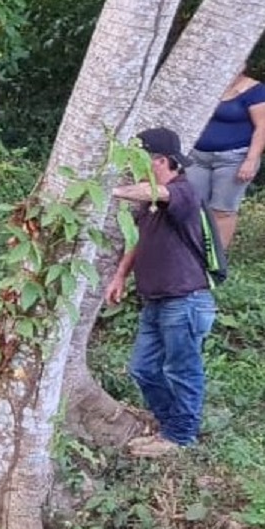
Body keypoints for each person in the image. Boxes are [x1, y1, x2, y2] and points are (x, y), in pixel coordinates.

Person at [104, 128, 217, 458]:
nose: (135, 167)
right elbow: (138, 241)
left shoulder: (182, 192)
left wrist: (107, 190)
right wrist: (120, 276)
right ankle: (171, 424)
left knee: (181, 370)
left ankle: (180, 436)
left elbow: (156, 193)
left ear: (161, 161)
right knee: (143, 368)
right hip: (156, 300)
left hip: (184, 300)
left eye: (140, 160)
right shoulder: (151, 204)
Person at [188, 71, 265, 256]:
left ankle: (216, 260)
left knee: (222, 210)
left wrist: (251, 160)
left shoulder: (256, 91)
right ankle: (193, 255)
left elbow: (264, 126)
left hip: (234, 158)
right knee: (194, 206)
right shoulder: (208, 84)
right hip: (198, 156)